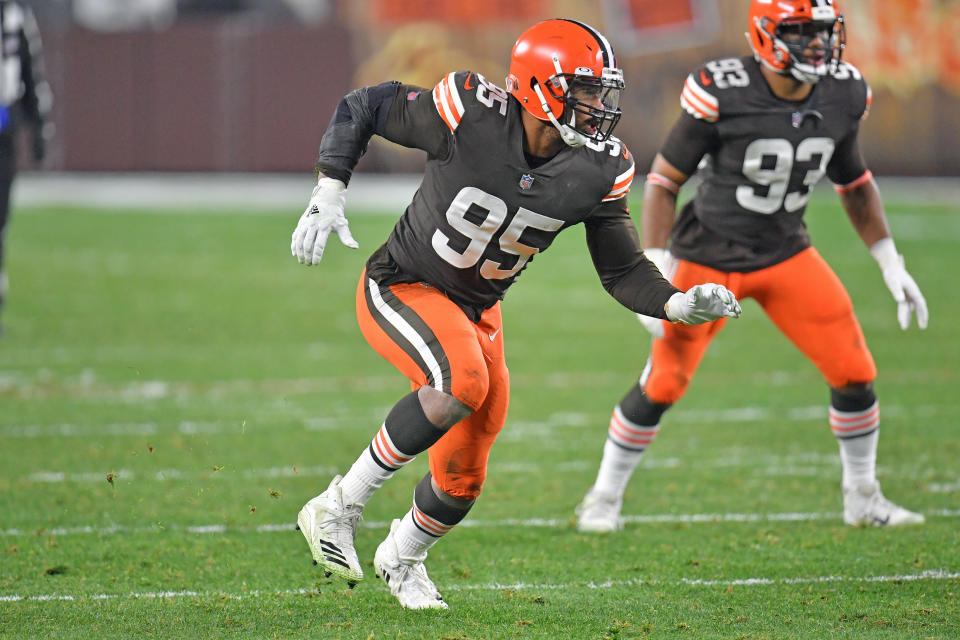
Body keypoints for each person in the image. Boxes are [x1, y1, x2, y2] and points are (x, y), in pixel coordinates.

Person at [290, 19, 742, 610]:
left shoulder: (599, 167)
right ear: (538, 87)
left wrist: (678, 302)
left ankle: (402, 558)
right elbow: (366, 105)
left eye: (601, 91)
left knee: (464, 475)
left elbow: (622, 269)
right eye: (583, 90)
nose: (597, 105)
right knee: (462, 382)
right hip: (404, 283)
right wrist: (330, 187)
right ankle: (337, 507)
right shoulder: (469, 113)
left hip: (478, 309)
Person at [576, 0, 928, 534]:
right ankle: (602, 498)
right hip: (708, 258)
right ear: (765, 36)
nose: (818, 45)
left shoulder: (844, 90)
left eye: (823, 32)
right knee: (664, 383)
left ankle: (863, 495)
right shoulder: (724, 90)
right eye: (801, 33)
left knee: (856, 371)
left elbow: (854, 182)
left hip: (787, 252)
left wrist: (889, 261)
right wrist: (656, 265)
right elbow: (666, 181)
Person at [0, 0, 52, 334]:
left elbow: (32, 73)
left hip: (3, 130)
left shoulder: (16, 14)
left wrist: (40, 129)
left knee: (0, 221)